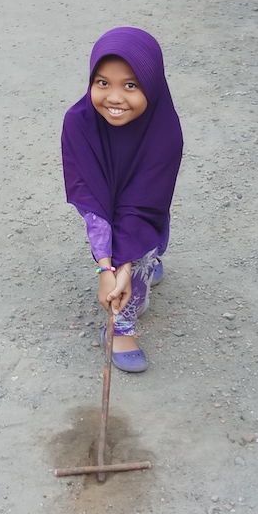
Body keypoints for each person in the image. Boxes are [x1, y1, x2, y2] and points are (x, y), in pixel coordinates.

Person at [61, 28, 184, 373]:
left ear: (152, 85)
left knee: (150, 238)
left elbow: (146, 204)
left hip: (145, 204)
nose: (114, 97)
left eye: (130, 85)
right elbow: (92, 202)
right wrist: (108, 267)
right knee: (126, 279)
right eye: (102, 83)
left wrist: (128, 261)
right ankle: (120, 329)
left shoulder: (166, 133)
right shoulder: (78, 123)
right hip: (103, 207)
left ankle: (149, 257)